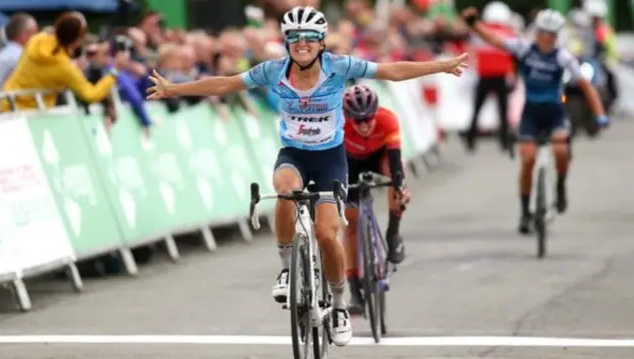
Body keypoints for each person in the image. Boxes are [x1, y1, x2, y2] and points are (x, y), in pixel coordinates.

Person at [146, 5, 467, 346]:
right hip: (294, 155)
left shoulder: (339, 66)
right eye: (294, 38)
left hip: (331, 160)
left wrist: (441, 66)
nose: (301, 44)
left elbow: (391, 71)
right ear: (286, 43)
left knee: (328, 235)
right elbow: (226, 83)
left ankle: (341, 305)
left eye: (309, 38)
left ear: (320, 43)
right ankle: (287, 269)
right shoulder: (273, 71)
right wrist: (174, 90)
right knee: (284, 192)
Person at [460, 7, 608, 234]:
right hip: (531, 112)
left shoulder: (563, 57)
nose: (546, 38)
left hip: (554, 112)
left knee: (560, 150)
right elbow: (494, 39)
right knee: (527, 160)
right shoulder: (524, 49)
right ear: (537, 32)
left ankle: (559, 184)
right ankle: (525, 212)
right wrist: (473, 24)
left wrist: (600, 114)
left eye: (551, 34)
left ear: (557, 36)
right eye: (542, 32)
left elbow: (586, 86)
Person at [341, 84, 410, 315]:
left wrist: (401, 186)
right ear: (348, 117)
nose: (364, 125)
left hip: (379, 157)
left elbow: (395, 160)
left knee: (397, 178)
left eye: (368, 118)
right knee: (349, 222)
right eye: (357, 121)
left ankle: (393, 232)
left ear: (375, 112)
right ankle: (354, 291)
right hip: (349, 162)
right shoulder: (338, 125)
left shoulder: (388, 120)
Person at [0, 11, 130, 112]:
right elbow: (90, 94)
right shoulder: (65, 68)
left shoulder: (37, 40)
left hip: (6, 104)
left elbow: (46, 70)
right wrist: (115, 71)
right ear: (77, 40)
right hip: (33, 114)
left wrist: (75, 66)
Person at [465, 1, 515, 152]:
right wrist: (512, 74)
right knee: (503, 111)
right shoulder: (508, 32)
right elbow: (512, 56)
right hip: (500, 76)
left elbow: (473, 52)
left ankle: (471, 139)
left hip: (484, 75)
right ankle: (505, 141)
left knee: (477, 109)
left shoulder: (480, 32)